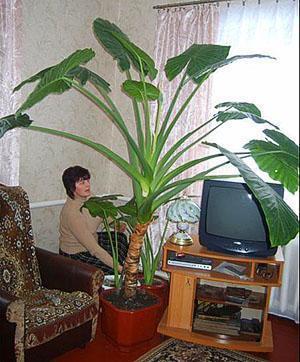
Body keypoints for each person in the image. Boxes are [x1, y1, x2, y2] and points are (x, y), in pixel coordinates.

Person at [59, 165, 128, 275]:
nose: (87, 184)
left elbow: (102, 212)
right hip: (77, 253)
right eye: (82, 182)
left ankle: (118, 264)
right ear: (72, 188)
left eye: (87, 180)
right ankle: (118, 268)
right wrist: (120, 269)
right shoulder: (72, 213)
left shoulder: (88, 196)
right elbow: (94, 249)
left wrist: (114, 224)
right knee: (110, 270)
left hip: (92, 240)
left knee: (120, 239)